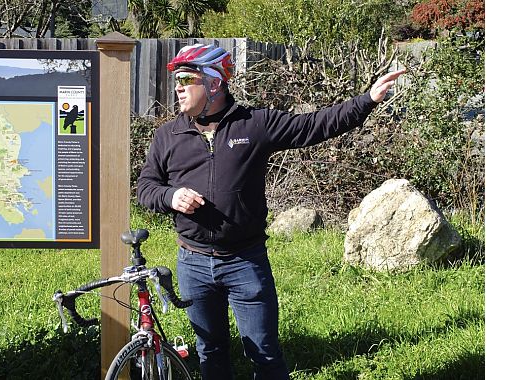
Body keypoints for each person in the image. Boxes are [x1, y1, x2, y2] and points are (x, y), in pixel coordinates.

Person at [137, 43, 405, 380]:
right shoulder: (168, 135)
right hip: (193, 264)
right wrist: (170, 195)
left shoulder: (254, 124)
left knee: (264, 354)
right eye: (177, 78)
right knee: (210, 353)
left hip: (245, 261)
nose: (178, 86)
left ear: (215, 83)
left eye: (187, 78)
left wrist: (366, 100)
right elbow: (145, 188)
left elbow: (315, 126)